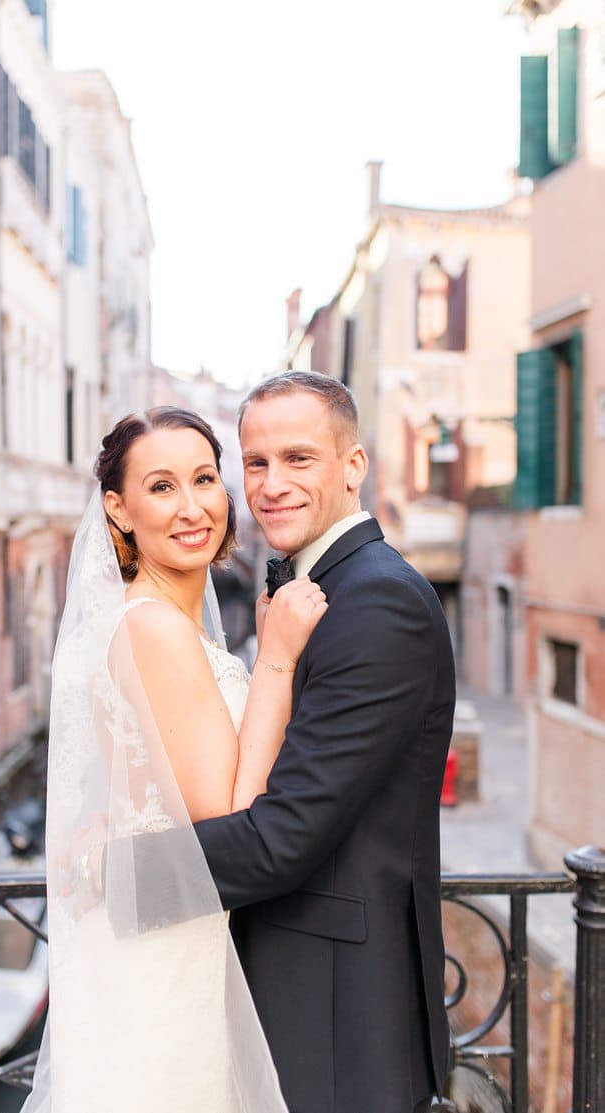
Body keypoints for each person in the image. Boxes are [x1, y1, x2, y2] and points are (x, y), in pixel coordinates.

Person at [22, 405, 325, 1112]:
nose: (193, 507)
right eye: (161, 487)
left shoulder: (141, 619)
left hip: (161, 934)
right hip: (163, 956)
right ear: (118, 509)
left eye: (204, 479)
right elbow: (228, 814)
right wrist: (276, 658)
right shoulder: (154, 627)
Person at [193, 372, 455, 1113]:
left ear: (354, 466)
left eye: (298, 459)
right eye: (256, 462)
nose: (271, 484)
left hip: (337, 1014)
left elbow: (285, 837)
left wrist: (124, 867)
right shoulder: (316, 590)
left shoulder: (377, 601)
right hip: (299, 991)